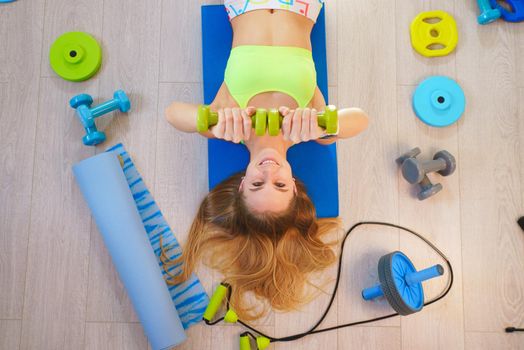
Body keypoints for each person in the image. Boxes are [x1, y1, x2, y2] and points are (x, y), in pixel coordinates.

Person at [163, 0, 369, 321]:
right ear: (295, 186)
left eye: (258, 184)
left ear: (242, 183)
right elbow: (360, 119)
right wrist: (324, 122)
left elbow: (173, 114)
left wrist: (211, 120)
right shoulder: (310, 129)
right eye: (280, 184)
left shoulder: (229, 128)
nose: (269, 171)